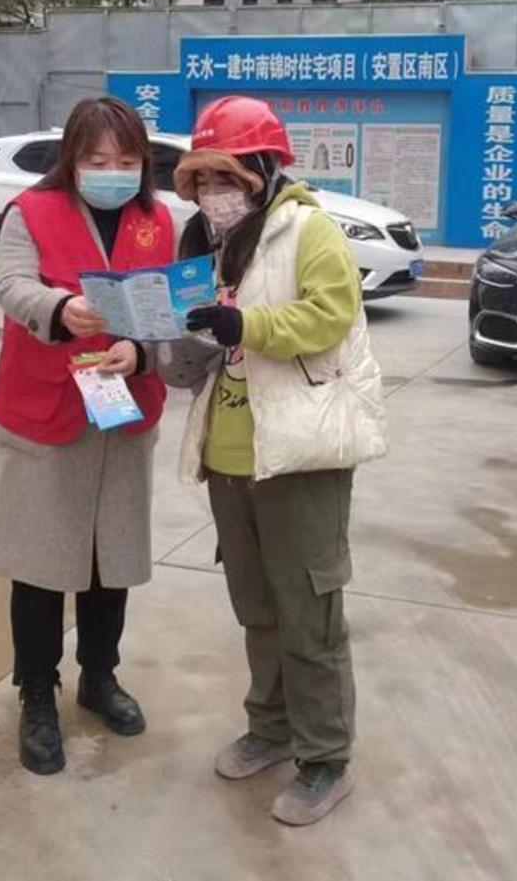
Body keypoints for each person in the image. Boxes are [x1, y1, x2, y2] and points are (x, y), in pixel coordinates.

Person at [170, 96, 388, 826]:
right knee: (258, 609)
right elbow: (202, 340)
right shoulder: (204, 243)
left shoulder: (307, 229)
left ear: (264, 170)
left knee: (309, 613)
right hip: (231, 454)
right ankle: (271, 727)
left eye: (226, 176)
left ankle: (325, 757)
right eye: (201, 179)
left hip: (300, 454)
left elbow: (331, 314)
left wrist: (247, 323)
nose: (212, 192)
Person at [0, 96, 173, 776]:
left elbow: (169, 312)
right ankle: (37, 692)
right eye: (97, 160)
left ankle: (99, 675)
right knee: (41, 563)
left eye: (126, 160)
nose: (112, 172)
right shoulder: (31, 212)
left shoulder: (158, 221)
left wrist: (142, 353)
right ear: (72, 159)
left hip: (122, 409)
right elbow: (11, 285)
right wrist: (63, 307)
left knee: (108, 558)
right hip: (47, 409)